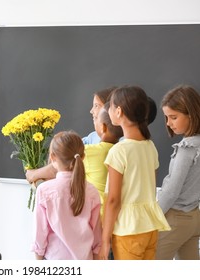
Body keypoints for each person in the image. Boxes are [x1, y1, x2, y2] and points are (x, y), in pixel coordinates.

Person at [99, 85, 170, 260]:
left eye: (112, 106)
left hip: (128, 231)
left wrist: (105, 238)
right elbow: (150, 188)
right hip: (150, 227)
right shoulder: (150, 146)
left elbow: (114, 200)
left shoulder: (119, 151)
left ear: (119, 111)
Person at [32, 130, 102, 260]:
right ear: (83, 157)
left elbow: (40, 236)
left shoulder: (44, 190)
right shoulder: (92, 191)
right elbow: (97, 238)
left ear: (53, 157)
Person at [156, 85, 200, 260]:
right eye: (167, 118)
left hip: (176, 219)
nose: (168, 123)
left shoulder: (187, 149)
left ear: (191, 114)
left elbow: (172, 191)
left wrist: (153, 217)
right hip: (194, 217)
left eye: (174, 117)